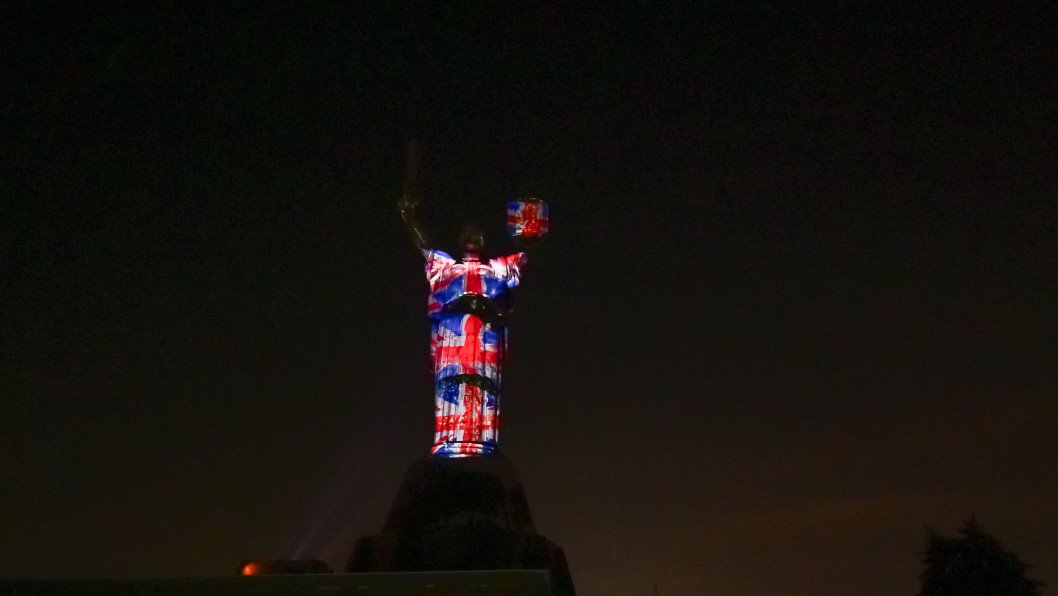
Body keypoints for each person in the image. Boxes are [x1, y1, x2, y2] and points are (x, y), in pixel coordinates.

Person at [398, 197, 526, 457]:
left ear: (483, 242)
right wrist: (410, 220)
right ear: (459, 240)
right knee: (451, 384)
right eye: (467, 233)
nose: (472, 237)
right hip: (453, 338)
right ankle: (449, 441)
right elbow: (423, 246)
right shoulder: (447, 269)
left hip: (484, 338)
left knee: (482, 385)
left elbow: (523, 255)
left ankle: (482, 443)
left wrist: (529, 236)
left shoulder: (495, 271)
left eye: (477, 234)